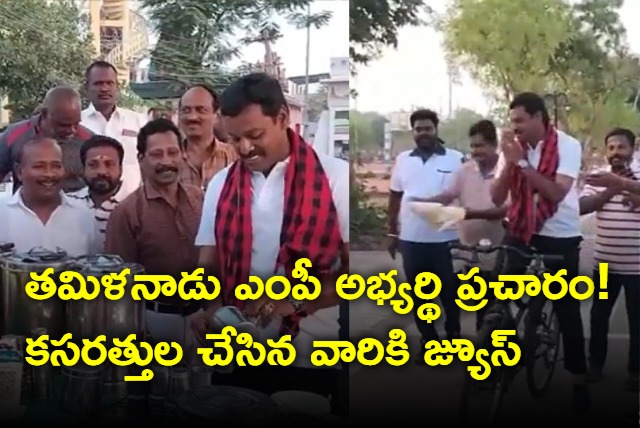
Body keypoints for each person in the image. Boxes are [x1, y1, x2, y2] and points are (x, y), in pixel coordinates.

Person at [191, 73, 349, 415]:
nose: (244, 148)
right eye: (235, 138)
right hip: (237, 354)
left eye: (255, 135)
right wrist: (208, 308)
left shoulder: (334, 177)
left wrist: (289, 302)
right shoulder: (221, 184)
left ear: (281, 118)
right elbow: (208, 264)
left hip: (309, 357)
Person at [490, 92, 590, 412]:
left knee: (565, 308)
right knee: (497, 298)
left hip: (559, 235)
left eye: (520, 120)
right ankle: (502, 359)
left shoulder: (567, 145)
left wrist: (521, 162)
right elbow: (496, 197)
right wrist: (509, 162)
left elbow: (557, 191)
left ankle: (579, 380)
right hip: (519, 229)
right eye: (512, 122)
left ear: (538, 117)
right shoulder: (512, 147)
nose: (514, 127)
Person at [104, 118, 203, 350]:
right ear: (141, 159)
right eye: (157, 154)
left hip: (201, 318)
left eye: (172, 152)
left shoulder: (201, 200)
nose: (166, 161)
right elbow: (119, 283)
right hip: (153, 321)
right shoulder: (126, 212)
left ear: (183, 155)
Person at [411, 119, 506, 331]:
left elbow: (506, 210)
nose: (475, 151)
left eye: (480, 146)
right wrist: (424, 204)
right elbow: (448, 195)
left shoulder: (507, 171)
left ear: (494, 145)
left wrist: (467, 214)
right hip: (469, 250)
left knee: (491, 306)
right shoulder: (465, 170)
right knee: (470, 300)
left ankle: (492, 353)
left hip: (499, 249)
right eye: (472, 146)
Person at [387, 108, 464, 363]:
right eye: (418, 129)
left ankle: (453, 337)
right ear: (413, 132)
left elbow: (466, 196)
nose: (423, 133)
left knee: (449, 295)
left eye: (428, 128)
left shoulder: (456, 159)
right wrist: (392, 232)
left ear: (436, 129)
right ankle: (429, 342)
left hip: (446, 241)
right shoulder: (403, 160)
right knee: (420, 297)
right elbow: (395, 196)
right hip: (412, 241)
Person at [580, 127, 640, 392]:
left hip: (637, 267)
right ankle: (595, 366)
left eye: (621, 147)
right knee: (598, 317)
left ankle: (635, 372)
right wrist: (608, 188)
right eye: (611, 148)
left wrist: (627, 188)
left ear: (632, 149)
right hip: (604, 265)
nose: (616, 153)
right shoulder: (597, 178)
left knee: (637, 321)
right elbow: (583, 207)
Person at [0, 137, 99, 256]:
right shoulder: (2, 213)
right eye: (39, 166)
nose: (49, 174)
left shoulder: (84, 215)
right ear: (19, 172)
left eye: (56, 166)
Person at [0, 87, 93, 193]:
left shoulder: (89, 141)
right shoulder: (15, 134)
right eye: (63, 125)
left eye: (76, 124)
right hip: (25, 207)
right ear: (44, 114)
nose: (71, 130)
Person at [81, 60, 148, 198]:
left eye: (109, 83)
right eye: (98, 83)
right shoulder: (77, 124)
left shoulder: (138, 121)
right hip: (86, 207)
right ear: (86, 88)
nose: (104, 88)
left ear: (117, 87)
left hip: (132, 205)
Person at [68, 135, 127, 250]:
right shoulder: (67, 203)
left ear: (121, 168)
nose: (102, 172)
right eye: (93, 165)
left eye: (109, 164)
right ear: (82, 168)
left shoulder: (134, 207)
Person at [177, 84, 237, 190]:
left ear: (216, 115)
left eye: (201, 110)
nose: (192, 117)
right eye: (186, 110)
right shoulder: (169, 160)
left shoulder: (235, 158)